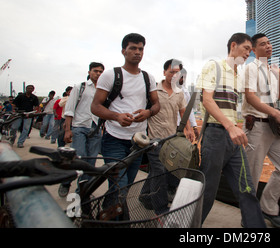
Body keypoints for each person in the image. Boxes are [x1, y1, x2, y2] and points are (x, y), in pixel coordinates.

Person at [196, 32, 266, 228]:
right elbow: (207, 100)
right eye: (246, 49)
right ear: (233, 45)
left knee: (247, 189)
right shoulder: (214, 66)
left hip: (233, 140)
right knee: (207, 191)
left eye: (251, 51)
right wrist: (229, 126)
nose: (248, 54)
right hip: (216, 135)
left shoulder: (238, 76)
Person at [91, 33, 160, 191]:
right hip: (114, 139)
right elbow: (95, 106)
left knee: (126, 186)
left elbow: (157, 104)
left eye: (141, 49)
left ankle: (110, 212)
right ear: (123, 51)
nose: (138, 52)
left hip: (138, 142)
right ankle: (115, 213)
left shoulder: (148, 78)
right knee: (118, 187)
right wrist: (117, 116)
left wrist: (148, 113)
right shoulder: (110, 75)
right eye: (133, 48)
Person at [242, 33, 280, 228]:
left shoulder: (272, 69)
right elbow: (250, 97)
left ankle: (268, 208)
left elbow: (278, 95)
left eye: (269, 43)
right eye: (263, 44)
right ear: (254, 50)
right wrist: (277, 113)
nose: (268, 46)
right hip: (255, 126)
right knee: (252, 175)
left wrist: (278, 74)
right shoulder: (250, 68)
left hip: (273, 127)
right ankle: (248, 218)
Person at [141, 59, 194, 213]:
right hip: (153, 138)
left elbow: (183, 112)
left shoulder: (179, 93)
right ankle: (161, 208)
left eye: (177, 73)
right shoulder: (153, 90)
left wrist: (189, 129)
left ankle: (144, 195)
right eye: (171, 72)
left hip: (170, 141)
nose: (174, 76)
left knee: (159, 170)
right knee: (159, 171)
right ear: (164, 72)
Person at [58, 63, 104, 197]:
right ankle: (66, 182)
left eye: (101, 72)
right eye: (96, 71)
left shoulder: (104, 90)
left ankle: (83, 192)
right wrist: (68, 129)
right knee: (79, 158)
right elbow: (70, 109)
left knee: (91, 162)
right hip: (79, 127)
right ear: (89, 72)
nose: (98, 74)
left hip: (95, 129)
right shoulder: (80, 87)